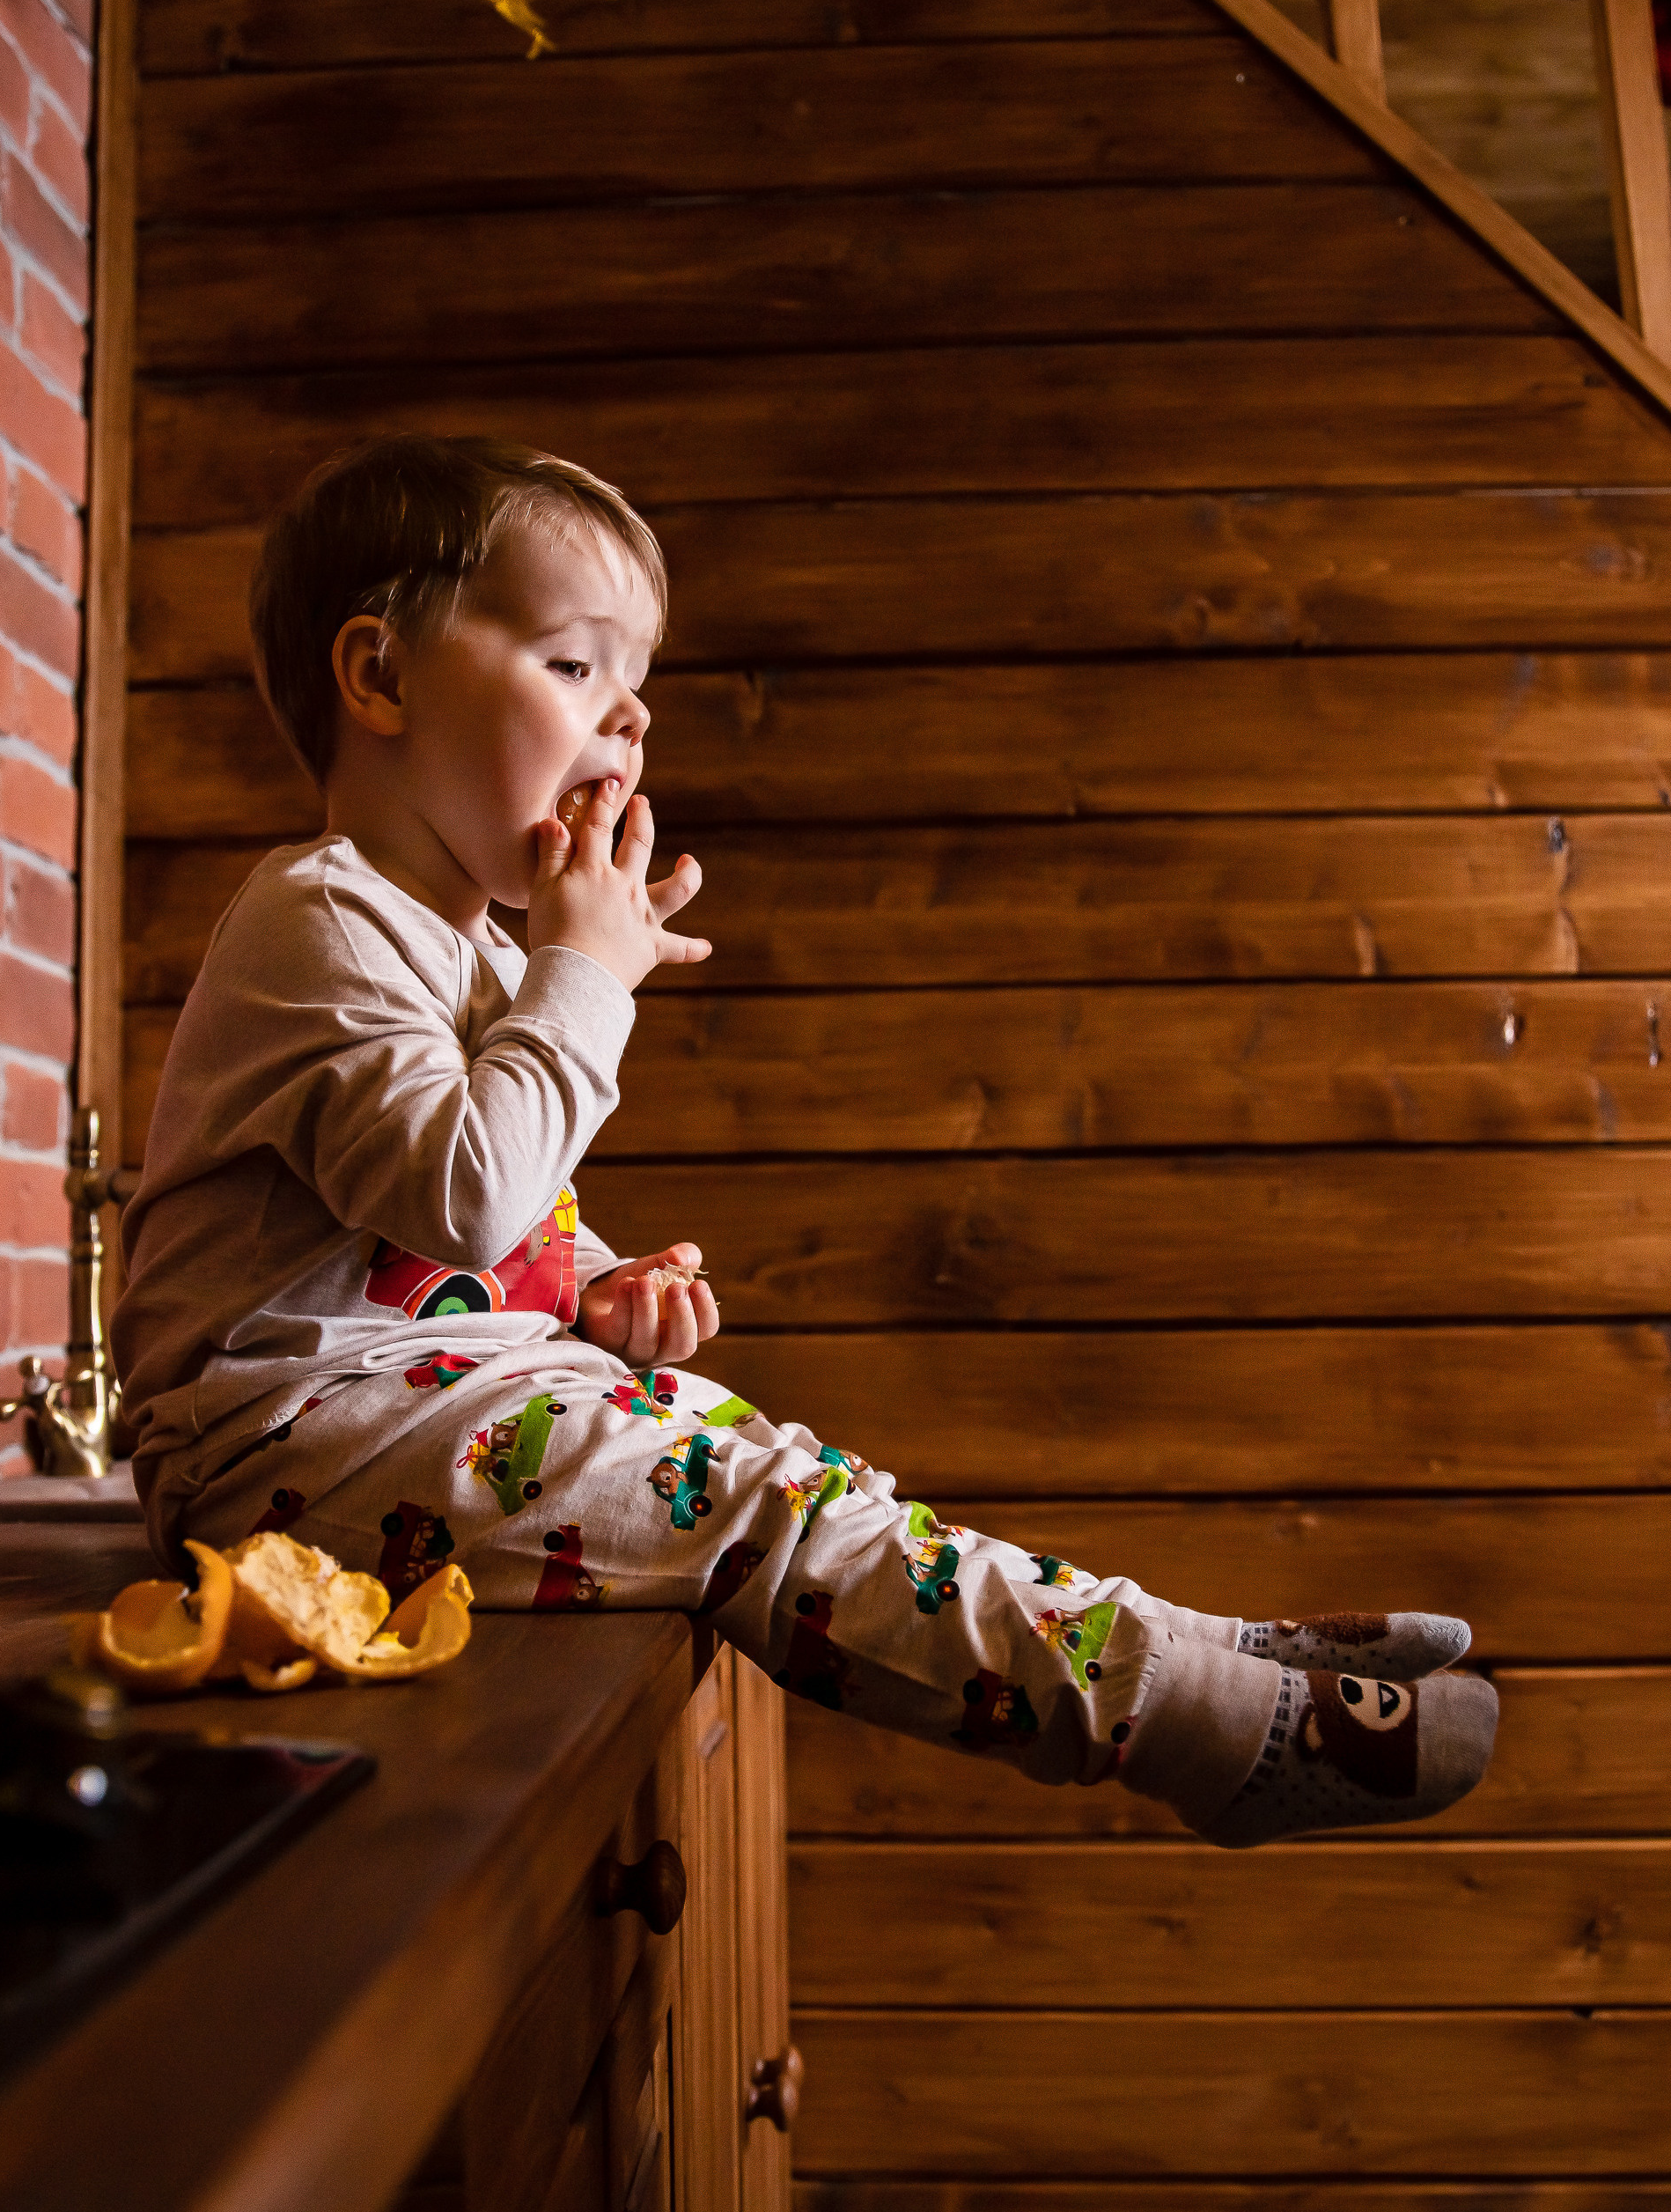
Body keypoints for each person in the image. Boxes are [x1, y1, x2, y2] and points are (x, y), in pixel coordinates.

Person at [113, 437, 1496, 1848]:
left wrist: (585, 1284)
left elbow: (441, 1213)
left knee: (817, 1485)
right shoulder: (322, 916)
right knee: (764, 1505)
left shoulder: (458, 951)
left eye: (635, 679)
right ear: (382, 678)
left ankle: (1192, 1649)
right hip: (280, 1457)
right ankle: (1181, 1716)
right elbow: (467, 1191)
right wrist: (583, 975)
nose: (633, 716)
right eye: (576, 665)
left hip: (407, 1410)